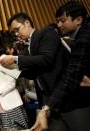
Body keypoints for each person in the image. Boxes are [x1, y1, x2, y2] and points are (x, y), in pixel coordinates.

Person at [0, 13, 69, 130]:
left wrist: (15, 58)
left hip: (62, 92)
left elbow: (46, 59)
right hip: (46, 96)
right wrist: (12, 70)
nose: (16, 34)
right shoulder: (27, 46)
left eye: (17, 29)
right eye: (14, 32)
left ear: (27, 23)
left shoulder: (47, 32)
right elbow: (33, 73)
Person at [32, 1, 90, 131]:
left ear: (78, 19)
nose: (59, 25)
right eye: (57, 21)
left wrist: (47, 107)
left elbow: (72, 74)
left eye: (62, 21)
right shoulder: (79, 36)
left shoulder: (85, 37)